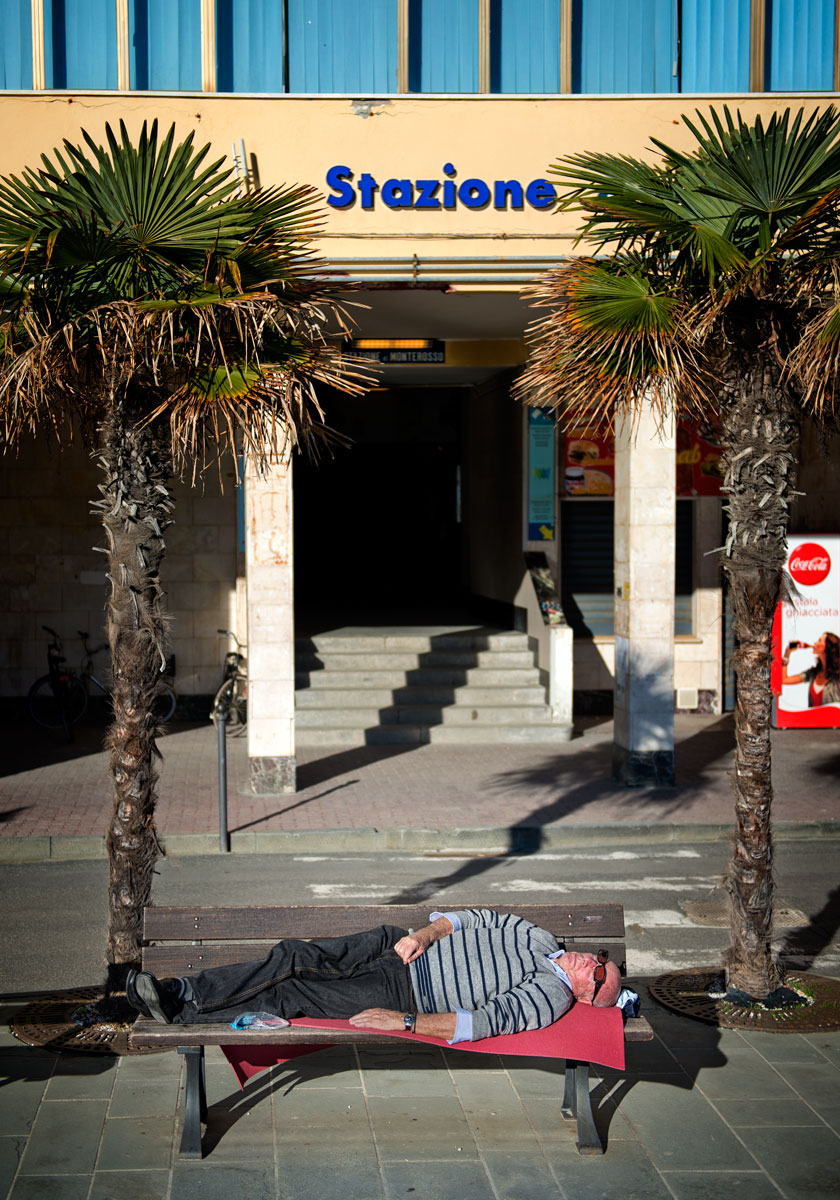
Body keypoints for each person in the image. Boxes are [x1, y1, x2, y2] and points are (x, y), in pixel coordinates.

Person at [125, 907, 623, 1043]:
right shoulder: (543, 940)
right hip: (397, 943)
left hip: (404, 989)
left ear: (588, 995)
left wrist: (404, 1023)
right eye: (600, 957)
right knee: (294, 953)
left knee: (293, 986)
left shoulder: (547, 998)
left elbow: (480, 1025)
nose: (591, 962)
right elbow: (476, 917)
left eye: (599, 973)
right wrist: (427, 935)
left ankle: (180, 1000)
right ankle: (180, 996)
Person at [781, 632, 840, 707]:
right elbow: (784, 680)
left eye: (819, 640)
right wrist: (787, 653)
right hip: (811, 718)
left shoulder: (837, 677)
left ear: (828, 646)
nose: (815, 643)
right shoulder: (813, 673)